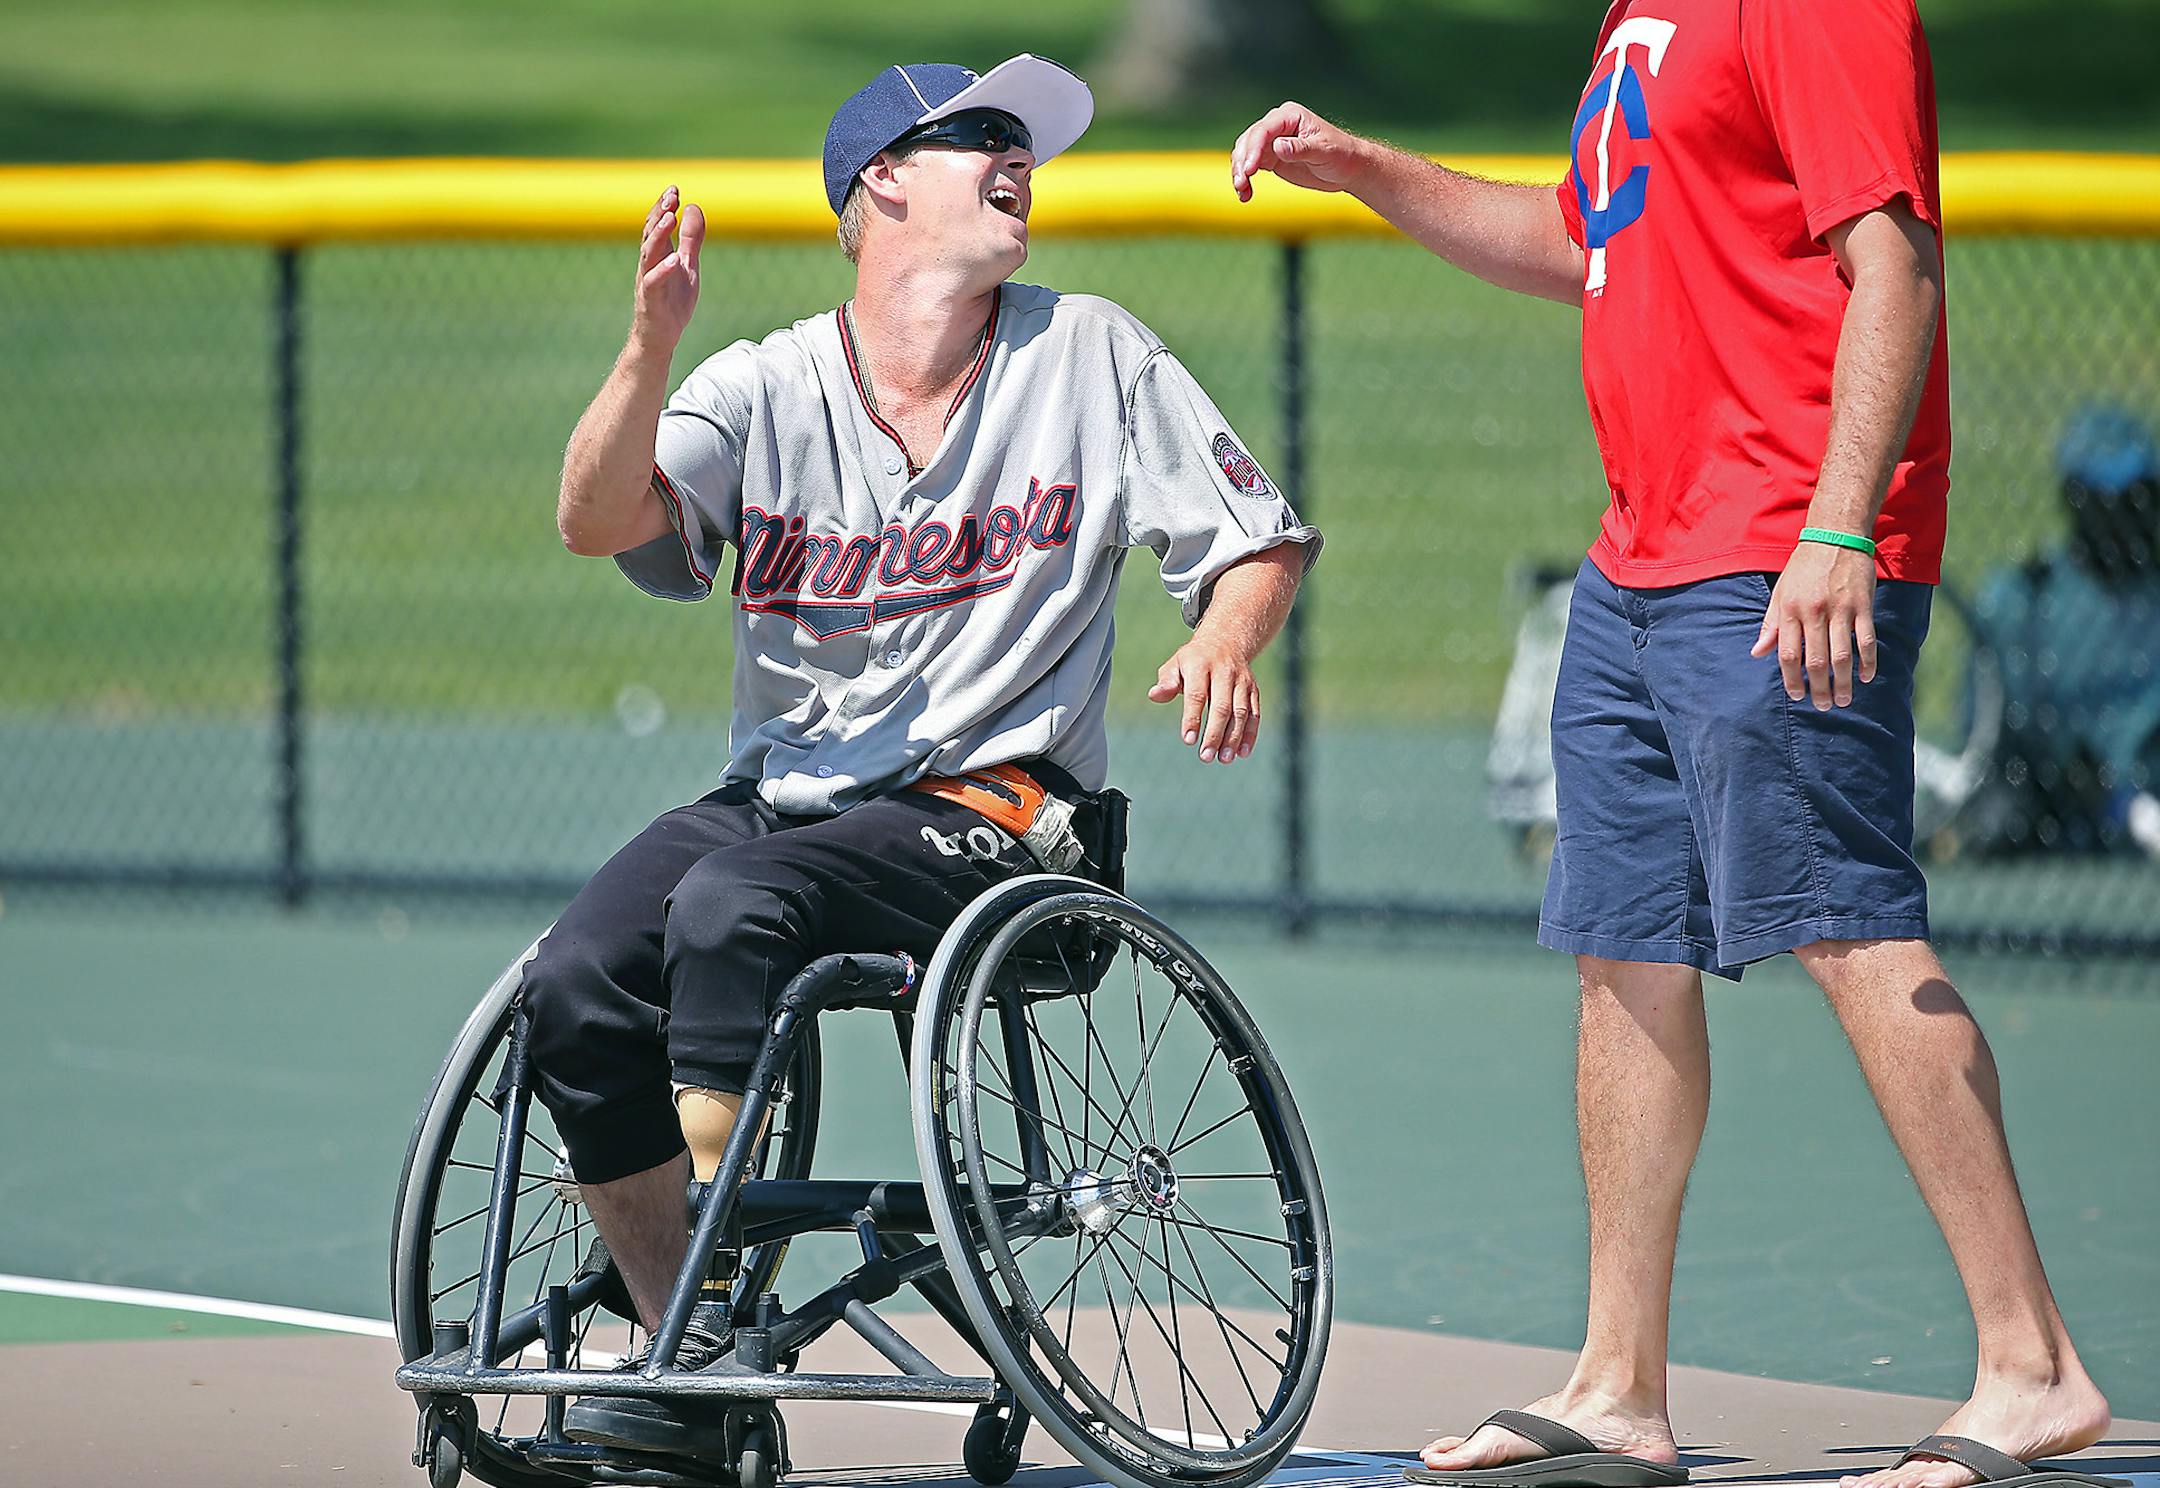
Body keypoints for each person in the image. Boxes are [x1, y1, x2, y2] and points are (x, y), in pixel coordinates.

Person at [1227, 5, 2115, 1488]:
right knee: (1623, 945)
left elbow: (1893, 263)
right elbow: (1583, 237)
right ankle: (1619, 1383)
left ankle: (2031, 1365)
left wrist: (1838, 526)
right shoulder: (1644, 15)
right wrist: (1367, 168)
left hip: (1777, 548)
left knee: (1848, 924)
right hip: (1640, 557)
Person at [537, 53, 1319, 1457]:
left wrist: (1225, 639)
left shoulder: (1088, 351)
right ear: (879, 181)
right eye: (983, 139)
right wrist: (648, 349)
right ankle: (690, 1350)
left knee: (732, 909)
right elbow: (598, 522)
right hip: (782, 798)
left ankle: (693, 1323)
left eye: (1030, 147)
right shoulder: (766, 381)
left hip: (1002, 811)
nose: (1021, 161)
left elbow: (1257, 538)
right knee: (581, 975)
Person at [1950, 406, 2160, 858]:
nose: (2126, 516)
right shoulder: (2022, 602)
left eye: (2141, 495)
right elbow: (1985, 744)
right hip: (2046, 829)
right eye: (2108, 501)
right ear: (2075, 499)